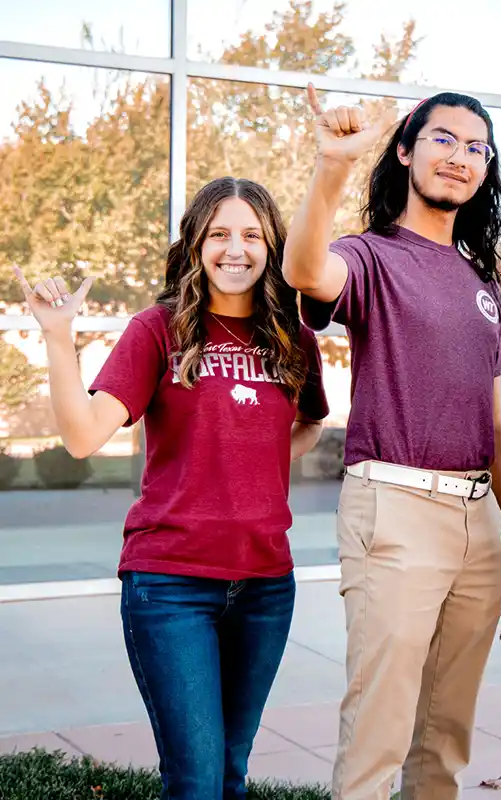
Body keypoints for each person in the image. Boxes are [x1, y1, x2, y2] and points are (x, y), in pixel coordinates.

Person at [13, 177, 329, 800]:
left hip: (266, 585)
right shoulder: (159, 330)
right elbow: (82, 437)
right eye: (218, 234)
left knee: (230, 774)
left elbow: (311, 423)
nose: (234, 249)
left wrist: (250, 460)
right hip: (172, 582)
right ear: (195, 245)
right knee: (195, 780)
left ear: (271, 246)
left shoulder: (294, 339)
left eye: (250, 234)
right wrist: (57, 336)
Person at [281, 85, 501, 800]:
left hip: (477, 523)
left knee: (444, 739)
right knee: (379, 736)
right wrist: (332, 166)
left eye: (476, 148)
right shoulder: (369, 256)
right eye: (443, 139)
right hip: (393, 506)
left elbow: (494, 430)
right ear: (405, 151)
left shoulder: (483, 280)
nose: (460, 157)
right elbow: (306, 271)